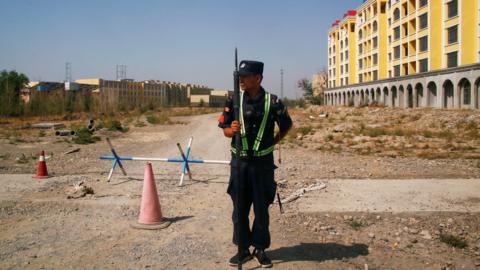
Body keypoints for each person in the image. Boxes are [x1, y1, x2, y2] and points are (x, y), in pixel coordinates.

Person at [218, 60, 293, 268]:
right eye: (240, 76)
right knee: (239, 208)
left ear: (258, 78)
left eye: (246, 76)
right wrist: (230, 131)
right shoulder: (233, 100)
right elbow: (223, 129)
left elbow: (286, 126)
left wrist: (272, 143)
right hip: (240, 164)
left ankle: (260, 249)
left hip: (263, 165)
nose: (241, 79)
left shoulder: (274, 102)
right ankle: (242, 250)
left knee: (261, 209)